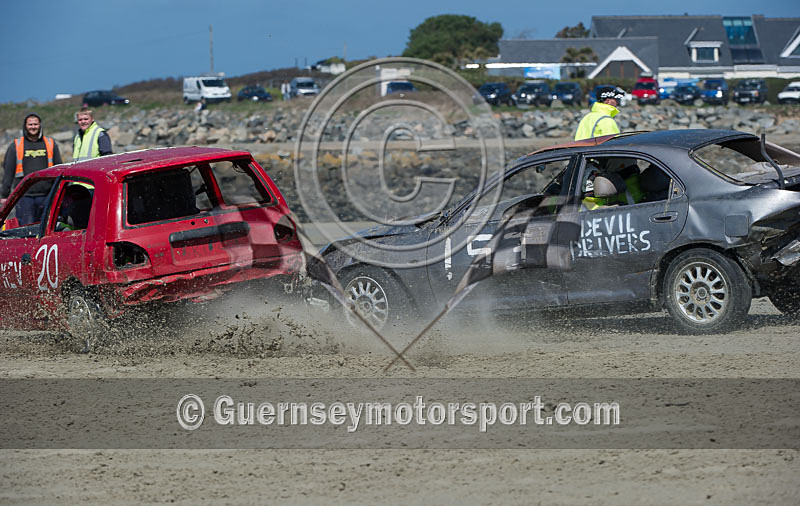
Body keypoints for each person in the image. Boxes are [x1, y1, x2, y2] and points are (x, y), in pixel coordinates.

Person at [1, 113, 63, 222]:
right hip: (24, 197)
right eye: (30, 124)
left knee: (46, 229)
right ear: (25, 126)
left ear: (40, 125)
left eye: (35, 124)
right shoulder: (16, 145)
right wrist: (4, 195)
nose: (33, 127)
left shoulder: (50, 144)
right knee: (26, 229)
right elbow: (8, 173)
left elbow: (60, 169)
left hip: (47, 196)